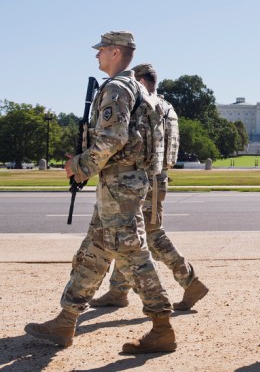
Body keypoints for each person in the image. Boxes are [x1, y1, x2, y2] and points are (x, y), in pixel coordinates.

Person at [25, 31, 177, 353]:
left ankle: (162, 326)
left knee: (133, 255)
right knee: (94, 250)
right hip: (123, 182)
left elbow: (112, 138)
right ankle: (66, 320)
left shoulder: (118, 87)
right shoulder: (136, 87)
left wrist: (80, 166)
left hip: (119, 184)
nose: (97, 56)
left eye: (102, 50)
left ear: (116, 52)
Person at [89, 63, 209, 311]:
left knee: (150, 234)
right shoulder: (166, 107)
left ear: (141, 82)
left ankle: (190, 281)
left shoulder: (149, 106)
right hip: (155, 176)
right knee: (130, 236)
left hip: (145, 177)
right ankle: (118, 290)